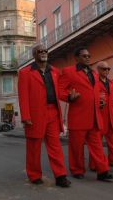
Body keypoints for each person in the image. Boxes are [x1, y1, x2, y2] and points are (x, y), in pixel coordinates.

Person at [18, 45, 71, 187]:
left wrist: (70, 96)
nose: (43, 53)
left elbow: (59, 91)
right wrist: (25, 116)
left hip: (53, 112)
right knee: (34, 147)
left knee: (55, 146)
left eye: (45, 51)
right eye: (39, 51)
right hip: (35, 115)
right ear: (34, 55)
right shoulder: (25, 73)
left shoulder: (54, 71)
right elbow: (23, 97)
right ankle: (34, 175)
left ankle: (60, 176)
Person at [58, 47, 113, 181]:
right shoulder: (69, 71)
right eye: (84, 56)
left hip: (95, 117)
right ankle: (77, 170)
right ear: (77, 58)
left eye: (89, 56)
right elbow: (59, 90)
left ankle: (102, 171)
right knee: (76, 148)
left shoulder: (94, 74)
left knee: (97, 146)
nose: (88, 58)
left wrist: (100, 101)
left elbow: (95, 91)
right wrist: (69, 97)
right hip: (78, 117)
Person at [89, 61, 113, 173]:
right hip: (99, 116)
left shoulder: (111, 83)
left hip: (110, 117)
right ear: (98, 70)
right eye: (104, 69)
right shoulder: (93, 82)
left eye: (108, 69)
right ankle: (94, 165)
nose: (106, 71)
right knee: (97, 143)